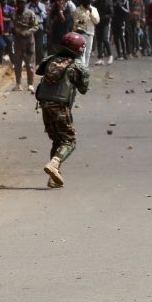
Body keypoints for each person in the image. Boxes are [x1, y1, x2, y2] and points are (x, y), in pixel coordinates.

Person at [35, 32, 89, 188]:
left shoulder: (49, 60)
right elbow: (84, 88)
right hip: (61, 107)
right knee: (70, 141)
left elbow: (40, 72)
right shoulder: (76, 66)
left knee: (57, 141)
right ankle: (55, 163)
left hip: (45, 106)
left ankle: (53, 177)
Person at [10, 0, 38, 92]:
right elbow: (12, 26)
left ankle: (30, 84)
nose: (19, 6)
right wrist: (14, 30)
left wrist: (27, 32)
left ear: (24, 4)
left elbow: (36, 26)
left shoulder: (30, 13)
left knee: (29, 64)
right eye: (18, 4)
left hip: (28, 42)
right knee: (17, 64)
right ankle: (18, 83)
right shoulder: (14, 14)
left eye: (21, 4)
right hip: (18, 42)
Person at [73, 0, 100, 67]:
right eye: (85, 1)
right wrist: (81, 22)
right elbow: (75, 22)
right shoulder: (77, 10)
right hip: (80, 33)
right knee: (82, 52)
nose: (87, 3)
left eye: (88, 1)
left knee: (88, 52)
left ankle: (85, 67)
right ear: (82, 1)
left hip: (90, 33)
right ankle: (81, 67)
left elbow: (97, 21)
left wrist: (91, 13)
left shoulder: (94, 9)